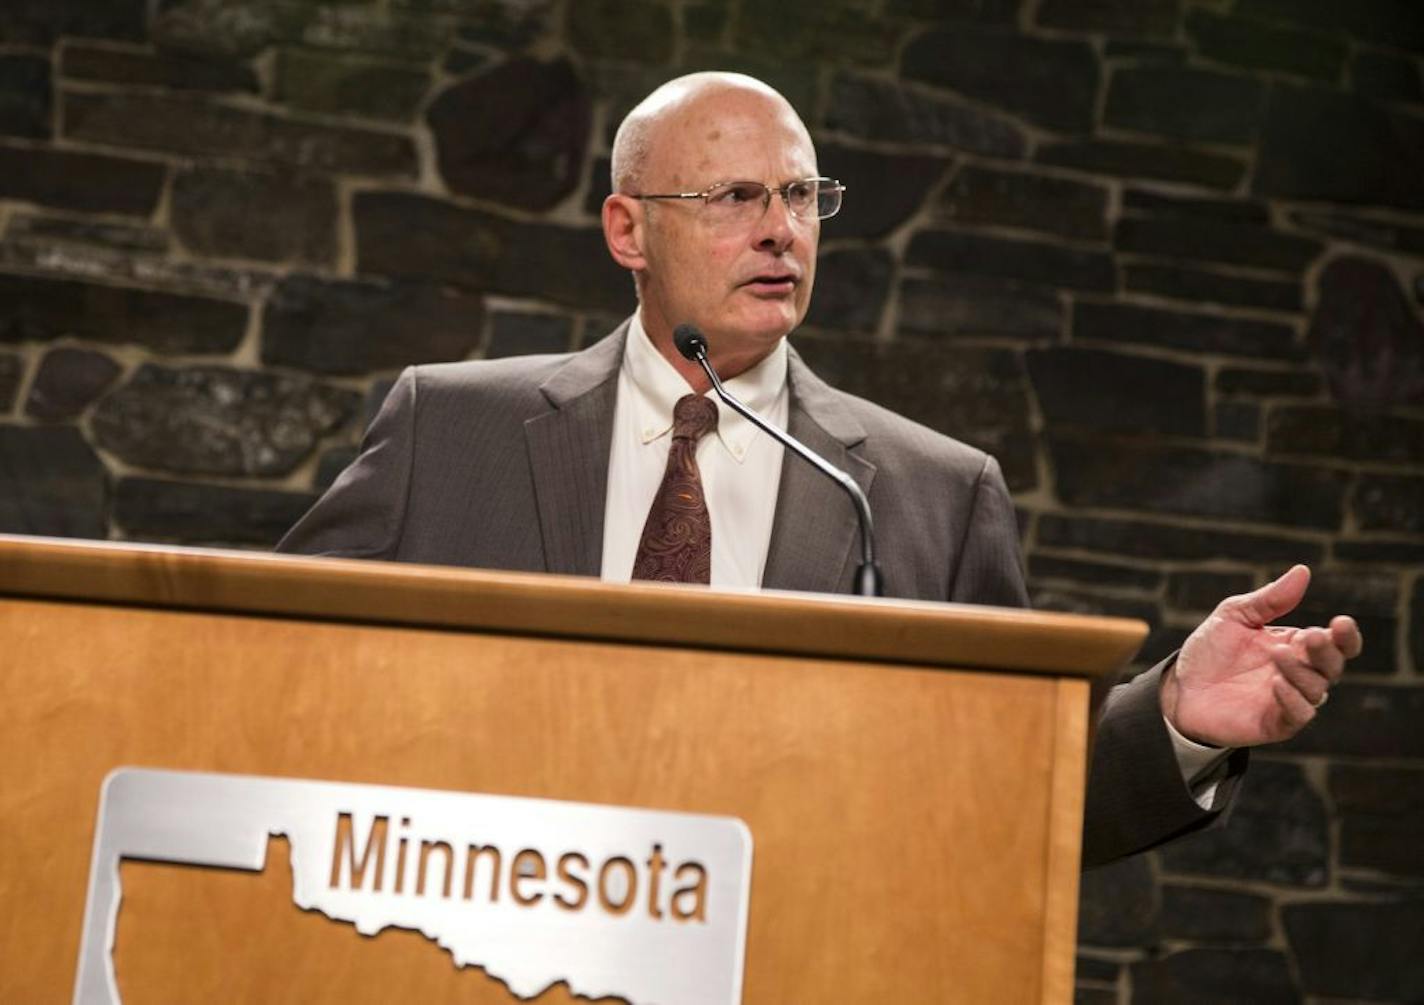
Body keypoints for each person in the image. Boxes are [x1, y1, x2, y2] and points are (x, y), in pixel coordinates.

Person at [278, 72, 1363, 867]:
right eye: (733, 198)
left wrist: (1174, 713)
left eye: (800, 197)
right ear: (626, 229)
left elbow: (1006, 805)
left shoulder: (929, 493)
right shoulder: (450, 429)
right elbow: (267, 675)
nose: (779, 232)